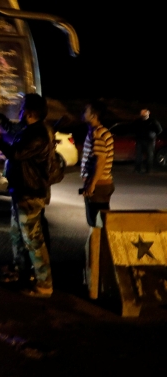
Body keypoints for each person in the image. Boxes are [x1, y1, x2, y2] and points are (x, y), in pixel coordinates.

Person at [0, 93, 54, 297]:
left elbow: (16, 154)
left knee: (33, 240)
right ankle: (22, 272)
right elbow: (12, 132)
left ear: (30, 112)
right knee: (18, 235)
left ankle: (44, 282)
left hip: (30, 193)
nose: (20, 110)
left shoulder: (38, 134)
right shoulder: (29, 130)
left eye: (22, 107)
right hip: (21, 191)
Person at [80, 100, 114, 298]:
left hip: (99, 186)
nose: (83, 112)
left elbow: (100, 161)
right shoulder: (98, 132)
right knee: (97, 227)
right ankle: (97, 275)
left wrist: (91, 184)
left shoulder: (98, 133)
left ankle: (98, 277)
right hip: (101, 185)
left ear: (93, 115)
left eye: (86, 110)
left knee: (97, 229)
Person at [134, 108, 162, 174]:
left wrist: (153, 135)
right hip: (140, 140)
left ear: (148, 114)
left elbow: (159, 130)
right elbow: (133, 128)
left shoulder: (153, 121)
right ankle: (137, 169)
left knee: (149, 155)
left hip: (149, 141)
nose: (144, 116)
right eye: (142, 115)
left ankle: (148, 169)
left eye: (145, 115)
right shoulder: (138, 121)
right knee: (139, 155)